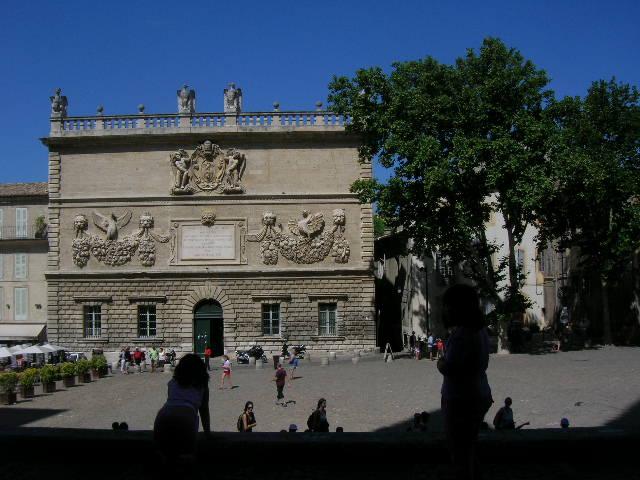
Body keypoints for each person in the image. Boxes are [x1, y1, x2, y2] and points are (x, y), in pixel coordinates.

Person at [437, 284, 493, 480]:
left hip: (461, 398)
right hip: (479, 392)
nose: (444, 309)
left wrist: (440, 363)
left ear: (457, 307)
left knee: (459, 451)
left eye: (447, 305)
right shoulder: (480, 330)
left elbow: (450, 367)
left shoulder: (462, 334)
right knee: (468, 448)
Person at [153, 354, 210, 460]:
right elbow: (204, 410)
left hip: (163, 416)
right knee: (186, 457)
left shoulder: (172, 382)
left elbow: (172, 401)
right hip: (186, 417)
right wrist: (208, 433)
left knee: (163, 457)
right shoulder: (201, 384)